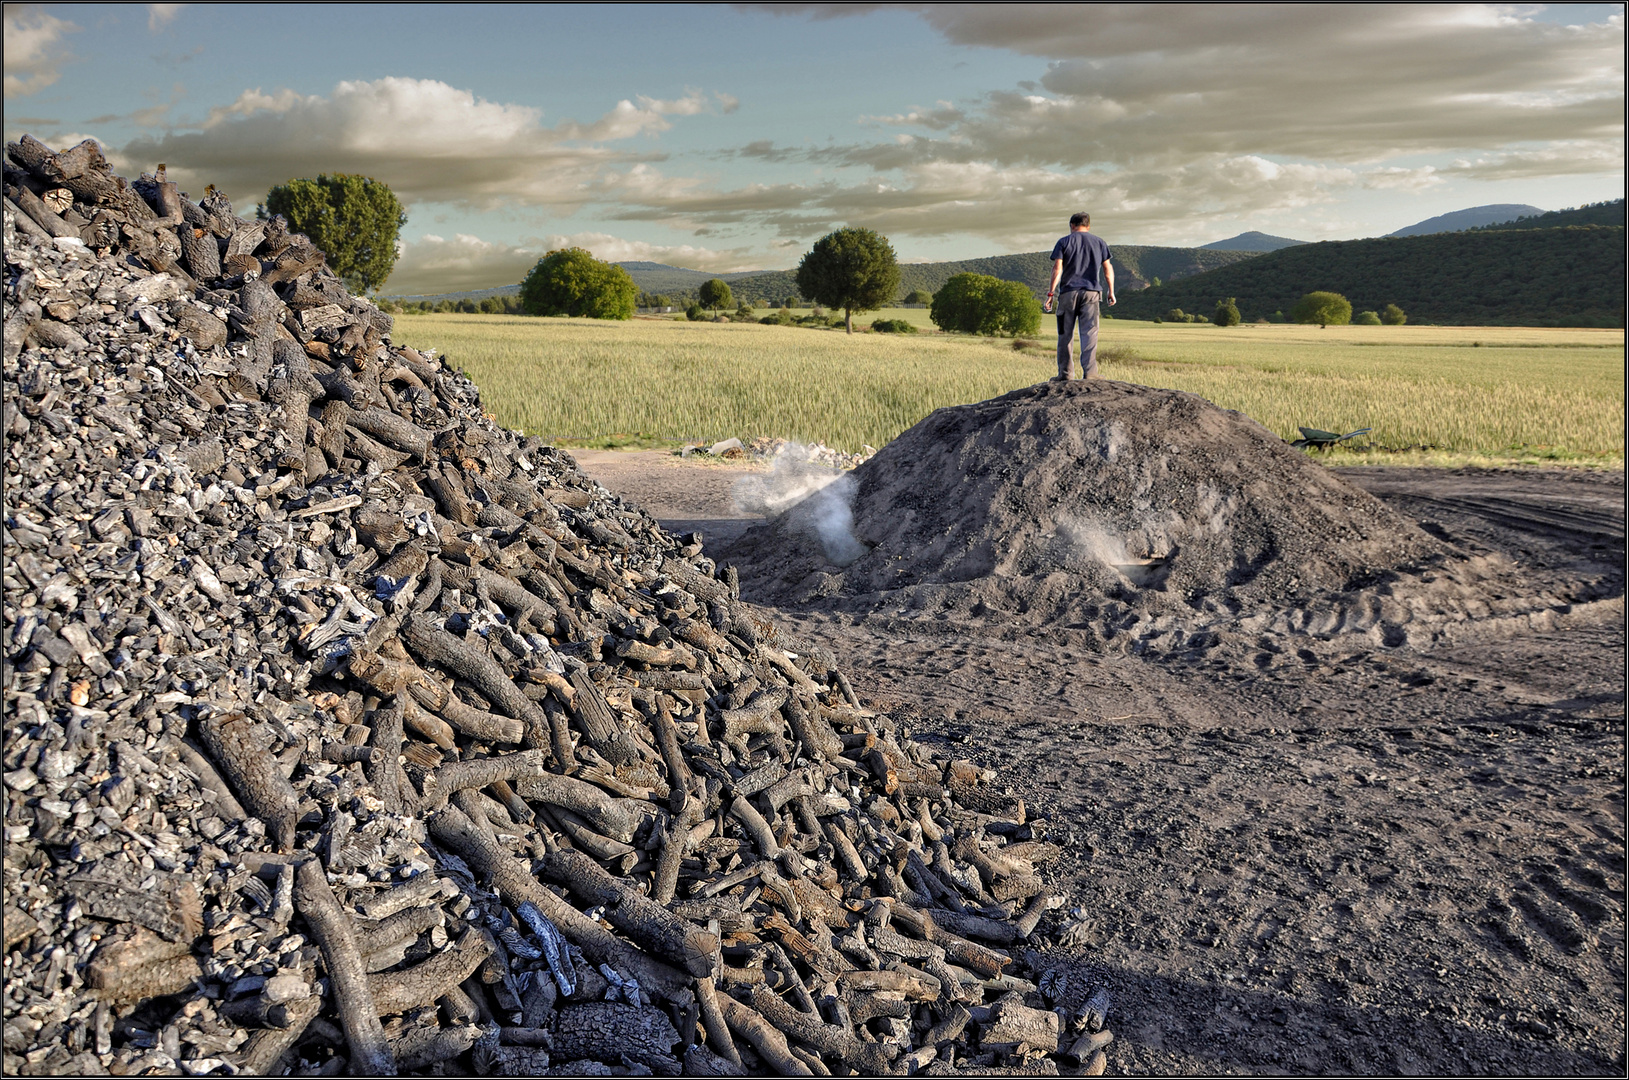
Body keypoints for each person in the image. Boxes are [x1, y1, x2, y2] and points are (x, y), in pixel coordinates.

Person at [1042, 212, 1116, 380]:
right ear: (1088, 226)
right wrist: (1111, 291)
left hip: (1068, 293)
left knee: (1065, 334)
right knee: (1089, 333)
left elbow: (1057, 268)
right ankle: (1090, 374)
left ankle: (1065, 375)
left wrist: (1051, 293)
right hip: (1092, 293)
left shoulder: (1064, 242)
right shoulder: (1099, 242)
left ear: (1072, 225)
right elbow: (1107, 268)